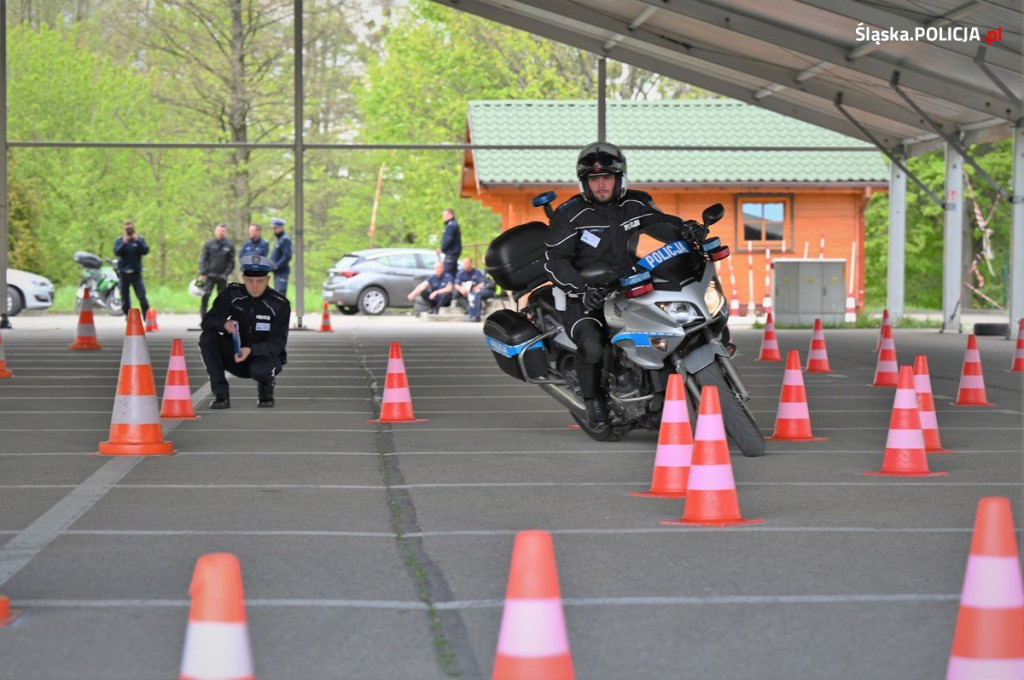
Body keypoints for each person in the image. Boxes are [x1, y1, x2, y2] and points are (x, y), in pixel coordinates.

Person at [543, 142, 668, 430]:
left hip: (629, 286)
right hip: (584, 295)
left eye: (607, 177)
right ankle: (594, 402)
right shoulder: (569, 213)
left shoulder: (636, 203)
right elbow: (554, 259)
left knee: (667, 328)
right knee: (592, 345)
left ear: (619, 178)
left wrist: (688, 230)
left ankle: (660, 394)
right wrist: (581, 289)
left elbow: (664, 225)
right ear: (584, 182)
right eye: (594, 179)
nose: (601, 184)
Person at [199, 254, 289, 409]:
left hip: (263, 358)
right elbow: (207, 321)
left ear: (268, 280)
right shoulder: (232, 294)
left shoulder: (279, 304)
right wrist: (223, 324)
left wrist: (251, 350)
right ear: (243, 278)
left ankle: (266, 391)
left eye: (260, 281)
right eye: (250, 281)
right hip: (236, 355)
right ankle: (221, 394)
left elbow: (278, 343)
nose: (255, 286)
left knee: (262, 369)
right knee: (207, 338)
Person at [113, 220, 150, 320]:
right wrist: (124, 242)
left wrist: (137, 240)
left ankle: (146, 317)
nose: (129, 231)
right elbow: (117, 252)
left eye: (130, 229)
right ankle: (128, 316)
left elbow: (145, 250)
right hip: (123, 273)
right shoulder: (120, 240)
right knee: (125, 298)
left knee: (142, 296)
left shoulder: (139, 239)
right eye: (127, 229)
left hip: (136, 273)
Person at [198, 223, 236, 316]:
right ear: (216, 231)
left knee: (222, 299)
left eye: (223, 231)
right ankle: (204, 318)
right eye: (219, 230)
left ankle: (220, 318)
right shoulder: (209, 244)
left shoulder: (230, 245)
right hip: (209, 275)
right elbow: (203, 258)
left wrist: (227, 273)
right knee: (205, 296)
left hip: (222, 276)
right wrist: (202, 272)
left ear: (225, 232)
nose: (221, 233)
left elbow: (231, 262)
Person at [453, 256, 494, 322]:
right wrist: (461, 289)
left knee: (476, 294)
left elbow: (484, 282)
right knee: (458, 293)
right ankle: (471, 314)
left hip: (485, 290)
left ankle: (476, 316)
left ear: (471, 263)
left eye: (467, 263)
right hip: (465, 292)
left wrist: (477, 287)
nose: (465, 265)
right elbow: (456, 284)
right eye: (464, 263)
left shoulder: (485, 270)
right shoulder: (461, 272)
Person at [269, 217, 292, 295]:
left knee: (280, 294)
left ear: (281, 227)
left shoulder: (285, 239)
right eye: (273, 228)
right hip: (277, 273)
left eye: (275, 228)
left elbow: (287, 256)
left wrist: (276, 266)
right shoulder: (279, 240)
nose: (274, 230)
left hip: (282, 272)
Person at [438, 208, 462, 279]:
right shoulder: (452, 224)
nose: (443, 217)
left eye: (444, 215)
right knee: (453, 272)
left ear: (450, 215)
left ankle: (449, 285)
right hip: (453, 252)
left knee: (447, 272)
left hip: (451, 252)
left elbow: (448, 239)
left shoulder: (451, 225)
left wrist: (442, 249)